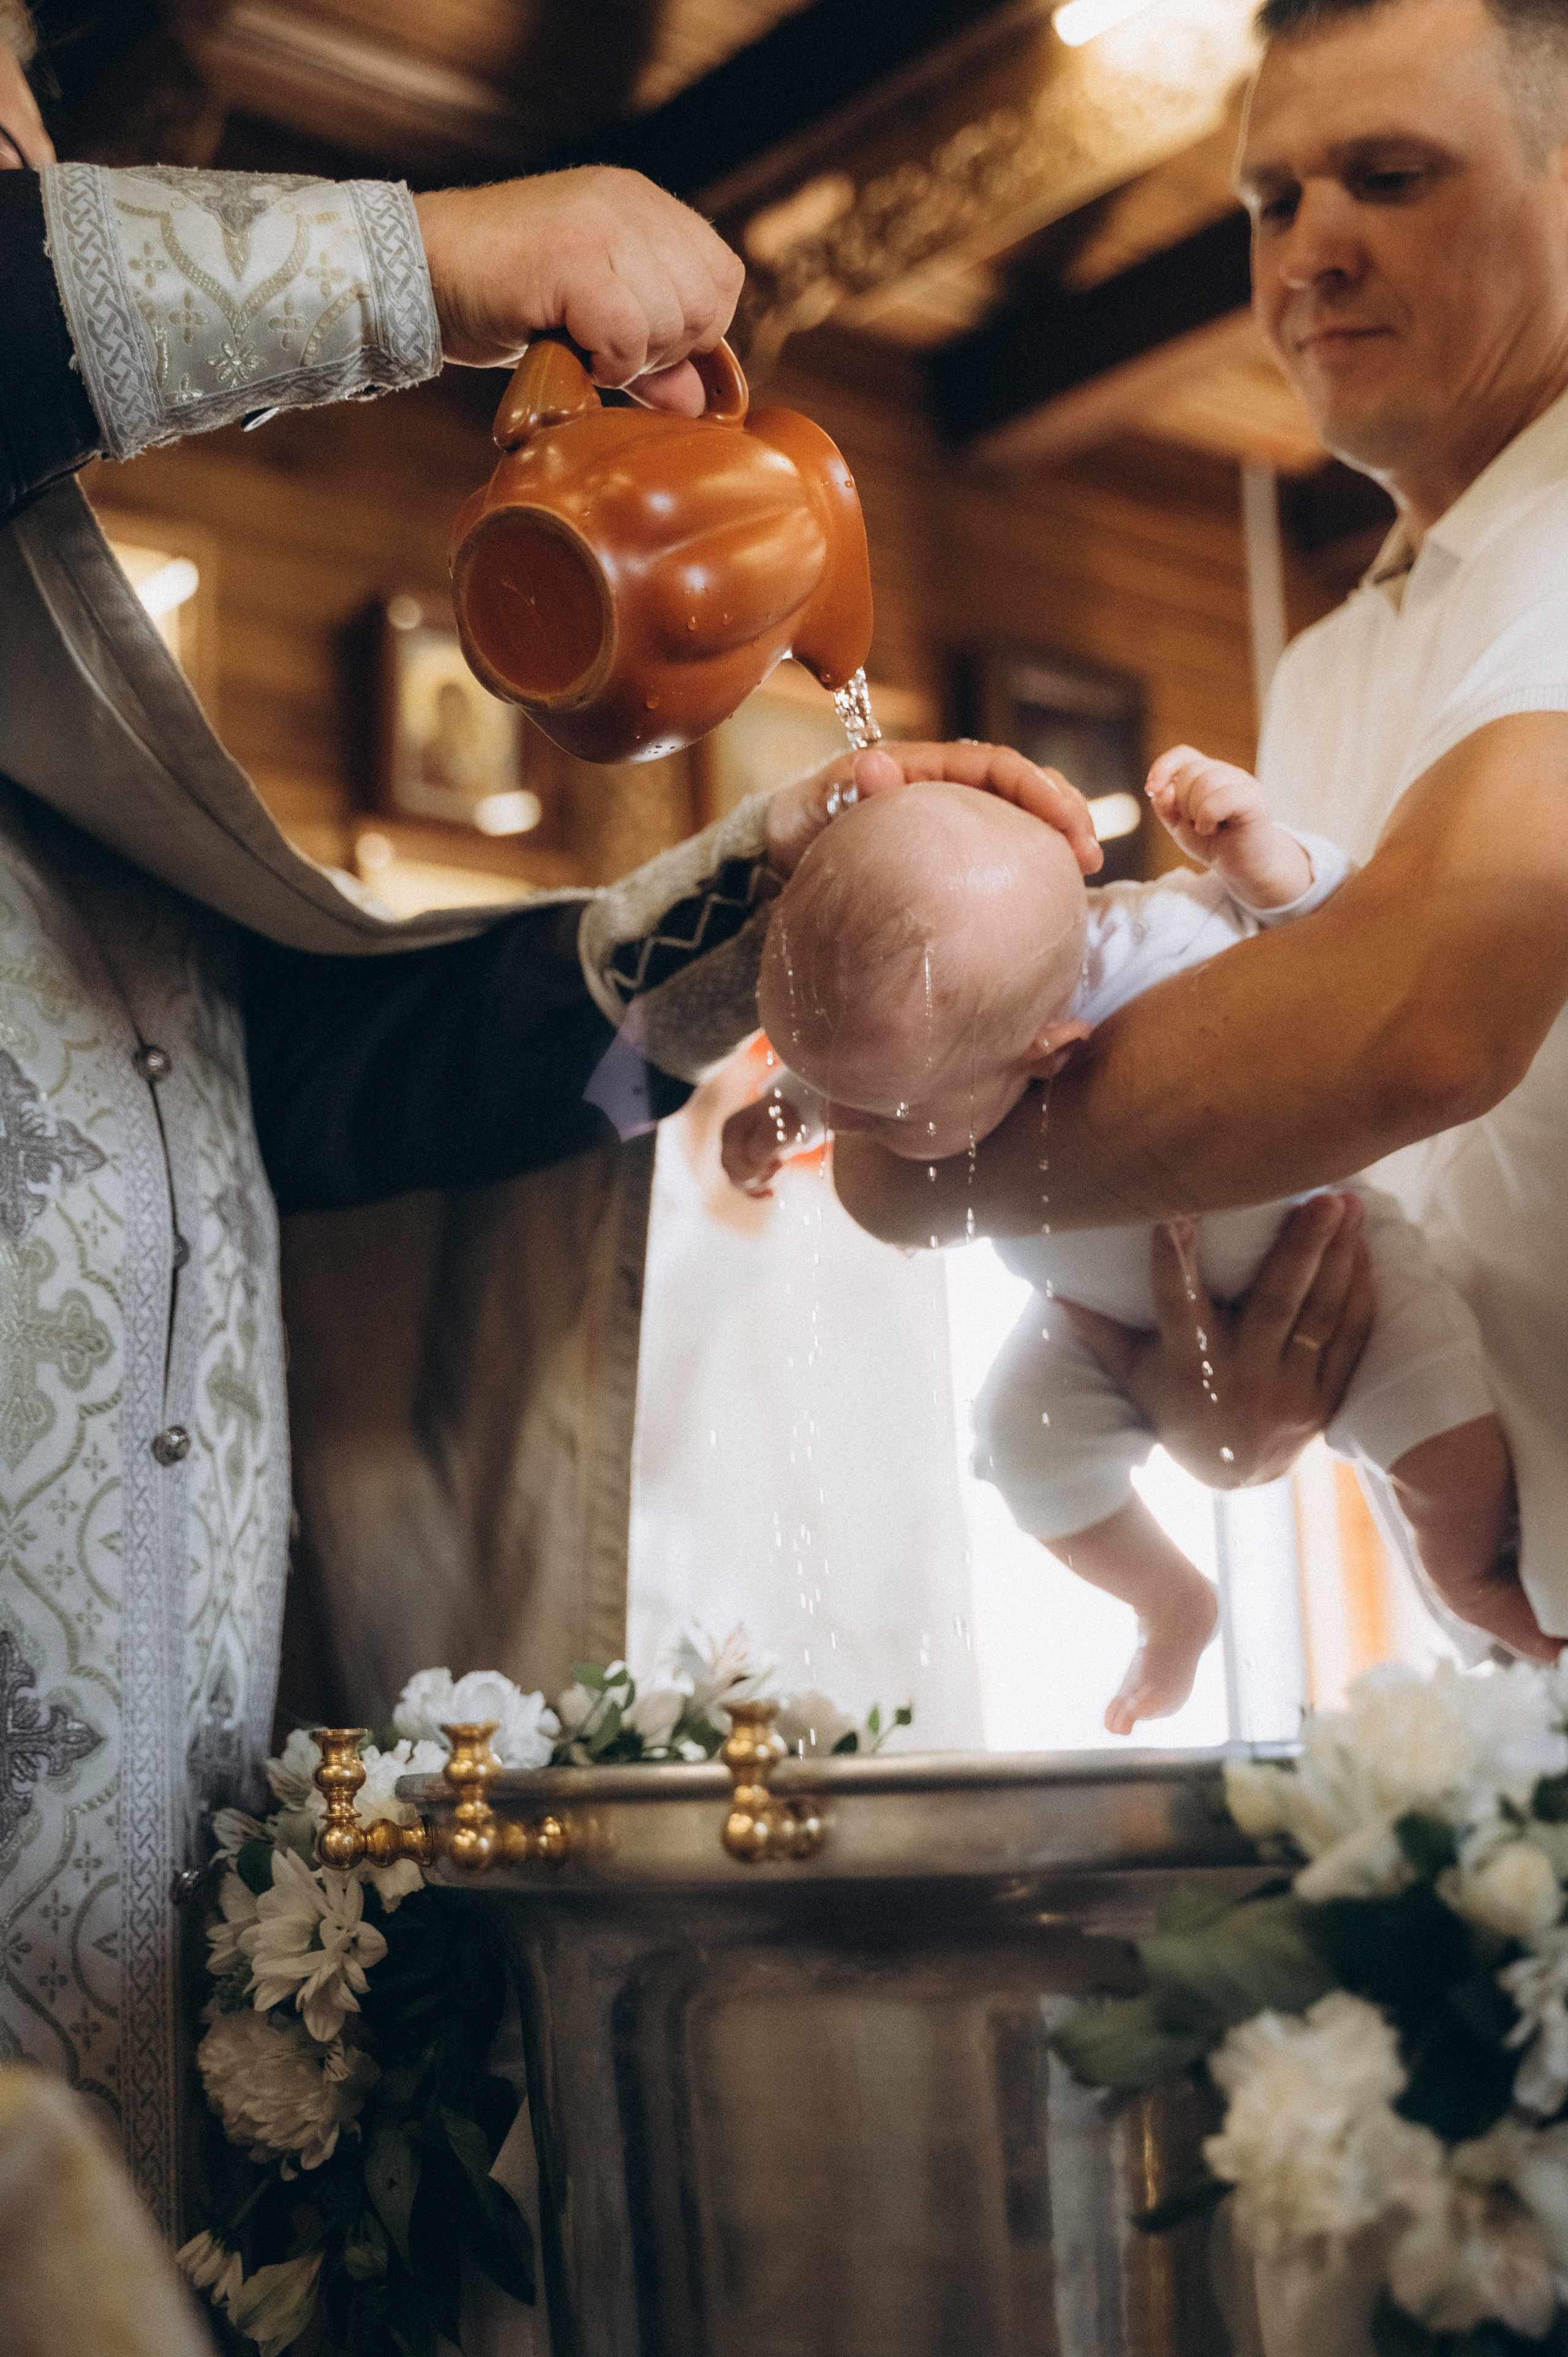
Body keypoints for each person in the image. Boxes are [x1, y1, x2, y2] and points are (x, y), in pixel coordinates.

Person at [0, 12, 1108, 2227]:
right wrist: (471, 250)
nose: (14, 149)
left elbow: (321, 1101)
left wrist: (767, 901)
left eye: (12, 102)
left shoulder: (56, 745)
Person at [832, 0, 1568, 1667]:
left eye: (1388, 176)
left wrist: (905, 1159)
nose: (1309, 250)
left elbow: (1416, 1020)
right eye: (1272, 200)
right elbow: (1357, 1179)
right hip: (1509, 1657)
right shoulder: (1325, 669)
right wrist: (1236, 1391)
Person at [725, 753, 1512, 1730]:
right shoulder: (894, 1039)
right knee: (1020, 1445)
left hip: (1319, 1248)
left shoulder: (1167, 934)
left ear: (1047, 1054)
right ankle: (1170, 1602)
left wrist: (1264, 862)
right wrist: (781, 1111)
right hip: (1090, 1322)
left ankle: (1477, 1581)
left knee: (1447, 1445)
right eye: (817, 1083)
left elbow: (1348, 943)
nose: (839, 1120)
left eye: (875, 1114)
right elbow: (844, 1068)